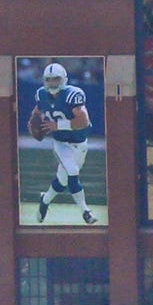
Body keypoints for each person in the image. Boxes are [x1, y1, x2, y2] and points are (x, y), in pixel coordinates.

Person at [30, 62, 96, 223]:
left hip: (79, 143)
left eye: (56, 79)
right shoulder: (41, 94)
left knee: (62, 181)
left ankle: (44, 200)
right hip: (61, 142)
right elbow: (36, 113)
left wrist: (57, 125)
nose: (52, 83)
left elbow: (84, 121)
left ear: (64, 79)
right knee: (73, 173)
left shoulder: (73, 94)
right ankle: (86, 212)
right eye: (49, 79)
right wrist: (35, 125)